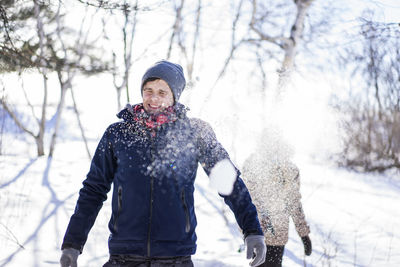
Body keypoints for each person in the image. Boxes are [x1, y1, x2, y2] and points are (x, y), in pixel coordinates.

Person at [60, 60, 266, 267]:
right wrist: (72, 242)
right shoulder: (118, 134)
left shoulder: (195, 133)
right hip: (123, 257)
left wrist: (252, 230)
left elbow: (228, 182)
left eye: (162, 92)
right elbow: (93, 190)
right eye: (148, 90)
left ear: (174, 96)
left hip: (176, 258)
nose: (153, 98)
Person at [242, 128, 312, 267]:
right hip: (257, 232)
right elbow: (245, 199)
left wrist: (303, 234)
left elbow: (294, 202)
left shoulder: (289, 169)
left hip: (275, 235)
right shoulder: (252, 164)